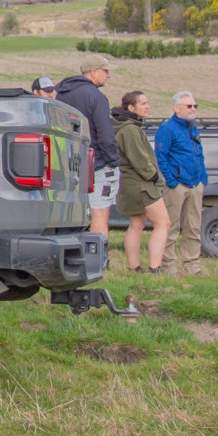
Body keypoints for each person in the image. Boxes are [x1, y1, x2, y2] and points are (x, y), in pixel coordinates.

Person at [53, 54, 118, 233]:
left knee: (71, 215)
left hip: (68, 165)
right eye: (106, 71)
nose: (109, 75)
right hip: (96, 164)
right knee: (99, 215)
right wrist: (112, 160)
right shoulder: (96, 97)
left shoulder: (61, 95)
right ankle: (99, 257)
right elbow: (105, 134)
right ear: (94, 72)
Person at [112, 90, 171, 272]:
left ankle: (134, 267)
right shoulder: (129, 129)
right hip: (141, 185)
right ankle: (155, 267)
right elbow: (139, 159)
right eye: (143, 103)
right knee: (163, 223)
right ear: (131, 107)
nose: (148, 106)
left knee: (137, 224)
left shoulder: (125, 127)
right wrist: (154, 176)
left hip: (131, 184)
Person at [155, 91, 207, 276]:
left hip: (195, 184)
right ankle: (168, 265)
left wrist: (203, 178)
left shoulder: (193, 128)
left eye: (195, 106)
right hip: (177, 185)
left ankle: (192, 265)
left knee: (193, 226)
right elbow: (160, 157)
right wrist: (171, 181)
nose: (193, 109)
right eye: (189, 106)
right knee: (172, 226)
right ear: (177, 108)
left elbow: (199, 154)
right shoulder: (167, 129)